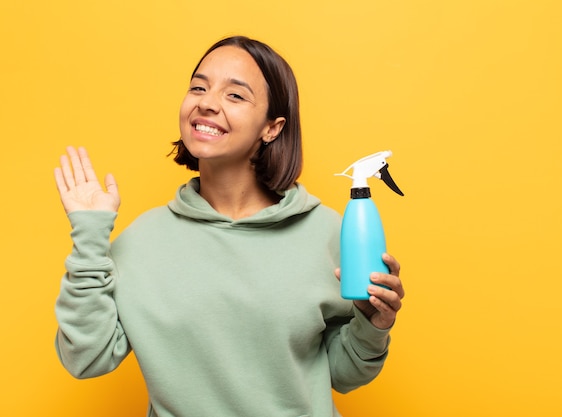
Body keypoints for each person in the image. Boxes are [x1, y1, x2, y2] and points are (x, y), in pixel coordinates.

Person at [54, 35, 405, 417]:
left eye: (235, 95)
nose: (206, 102)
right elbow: (87, 358)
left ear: (272, 128)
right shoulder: (142, 242)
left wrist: (373, 325)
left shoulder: (328, 234)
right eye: (198, 87)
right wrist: (89, 235)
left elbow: (341, 373)